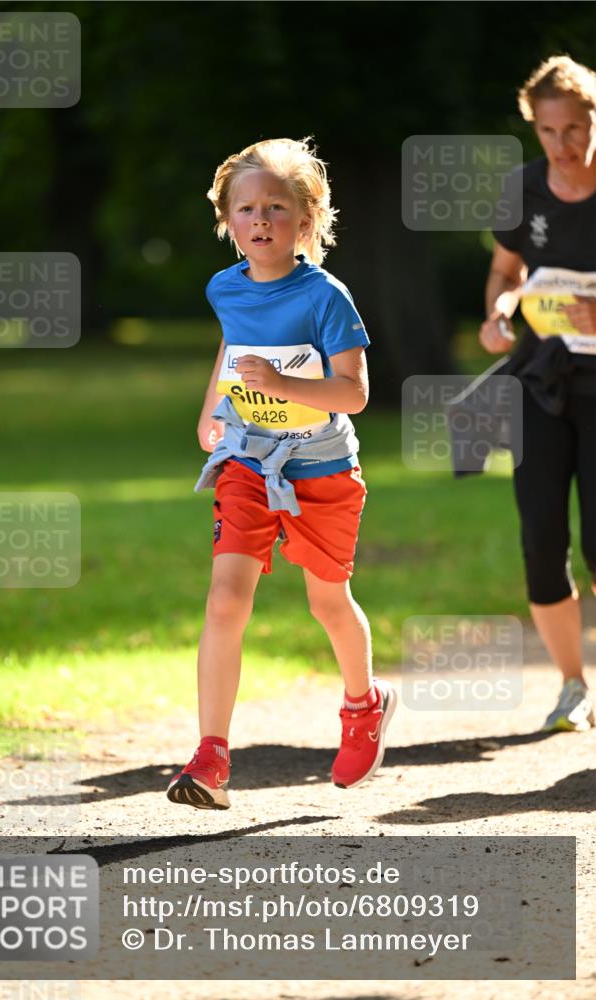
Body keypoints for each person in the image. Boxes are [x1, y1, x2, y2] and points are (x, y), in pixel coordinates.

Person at [166, 137, 396, 810]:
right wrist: (212, 407)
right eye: (245, 209)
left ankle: (363, 703)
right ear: (226, 220)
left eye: (274, 207)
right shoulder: (223, 286)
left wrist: (285, 386)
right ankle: (210, 756)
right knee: (224, 599)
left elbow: (353, 392)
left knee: (326, 601)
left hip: (320, 468)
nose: (259, 220)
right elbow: (233, 346)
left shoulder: (326, 297)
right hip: (245, 460)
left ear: (307, 218)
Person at [479, 55, 596, 732]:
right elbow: (504, 271)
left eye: (576, 128)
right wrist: (497, 314)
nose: (564, 145)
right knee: (539, 538)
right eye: (549, 131)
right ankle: (570, 687)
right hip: (541, 383)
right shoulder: (520, 190)